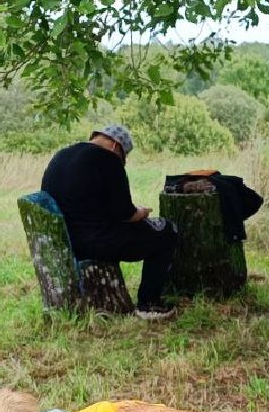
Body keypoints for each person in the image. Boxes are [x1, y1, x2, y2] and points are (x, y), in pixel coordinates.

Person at [41, 123, 178, 320]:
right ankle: (149, 304)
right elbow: (125, 213)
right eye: (123, 157)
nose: (122, 162)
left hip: (66, 242)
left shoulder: (60, 156)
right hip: (96, 243)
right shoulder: (108, 159)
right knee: (166, 231)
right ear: (116, 146)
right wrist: (141, 212)